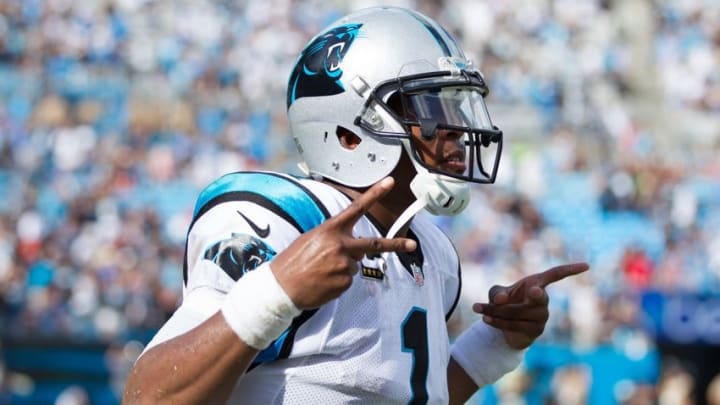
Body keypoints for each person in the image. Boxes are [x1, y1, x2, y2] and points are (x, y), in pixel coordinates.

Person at [123, 6, 588, 404]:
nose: (455, 129)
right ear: (348, 133)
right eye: (430, 107)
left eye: (457, 106)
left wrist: (495, 345)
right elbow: (149, 396)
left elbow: (405, 393)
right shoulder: (285, 219)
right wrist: (274, 294)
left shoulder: (431, 250)